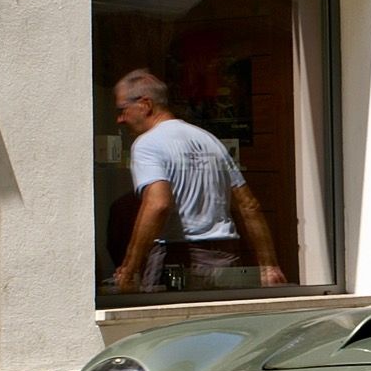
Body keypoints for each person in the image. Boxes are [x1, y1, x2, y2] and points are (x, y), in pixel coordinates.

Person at [111, 69, 286, 293]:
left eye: (122, 110)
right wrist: (269, 266)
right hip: (225, 260)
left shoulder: (147, 144)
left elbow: (158, 204)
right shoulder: (209, 140)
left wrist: (129, 269)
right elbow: (248, 205)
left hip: (181, 260)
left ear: (145, 104)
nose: (120, 119)